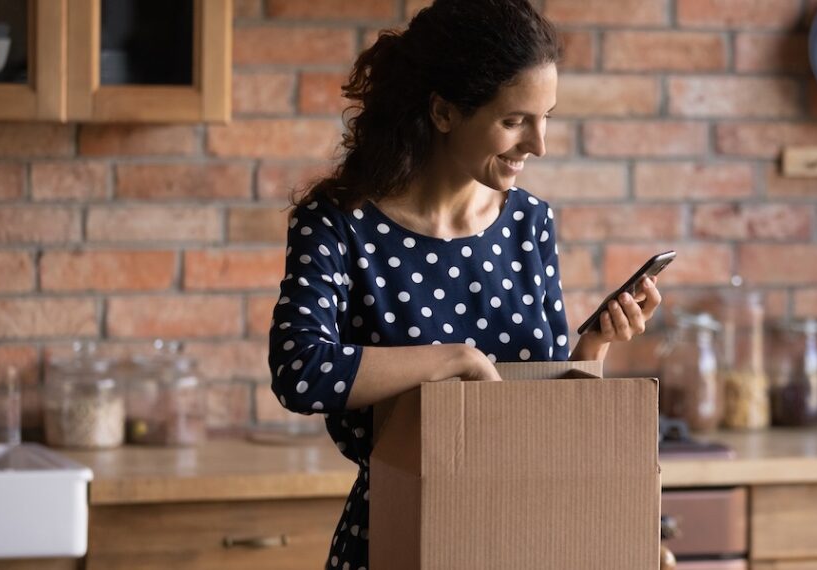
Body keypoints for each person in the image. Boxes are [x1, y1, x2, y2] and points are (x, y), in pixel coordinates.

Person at [267, 0, 662, 567]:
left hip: (525, 537)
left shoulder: (529, 223)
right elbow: (300, 372)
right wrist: (452, 359)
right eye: (514, 121)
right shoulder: (339, 223)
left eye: (546, 116)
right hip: (397, 534)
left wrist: (594, 345)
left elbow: (538, 412)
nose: (539, 144)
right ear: (444, 112)